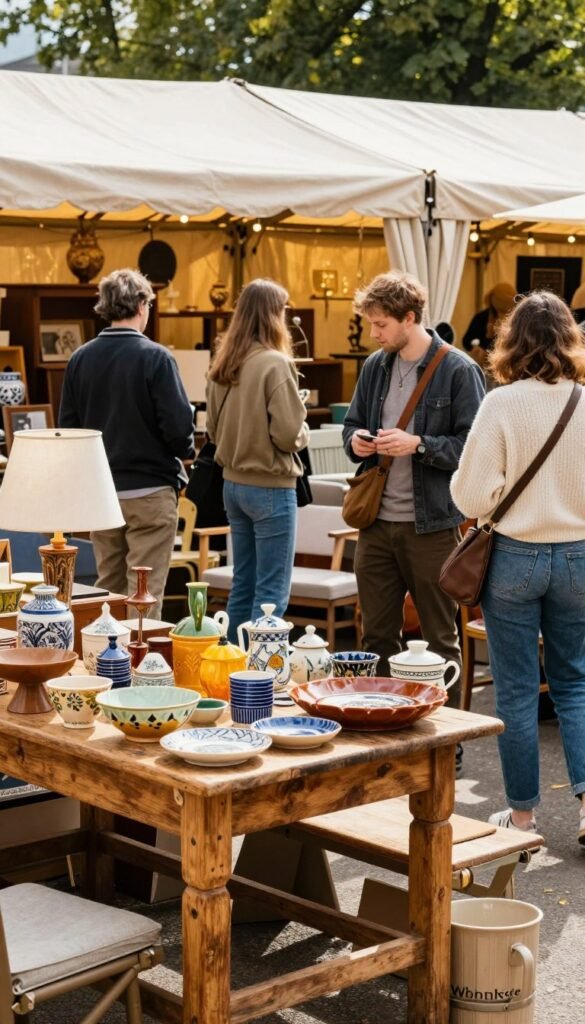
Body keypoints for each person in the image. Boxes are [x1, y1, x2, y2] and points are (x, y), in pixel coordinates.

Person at [451, 291, 585, 843]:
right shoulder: (583, 400)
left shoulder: (501, 404)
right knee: (575, 684)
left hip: (514, 557)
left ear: (512, 341)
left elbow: (469, 496)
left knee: (514, 689)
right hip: (578, 554)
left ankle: (524, 817)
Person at [342, 271, 485, 718]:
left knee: (440, 639)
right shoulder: (375, 366)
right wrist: (357, 443)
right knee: (376, 638)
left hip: (433, 527)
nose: (373, 333)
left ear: (409, 318)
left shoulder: (459, 369)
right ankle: (385, 729)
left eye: (380, 324)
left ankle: (446, 738)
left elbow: (475, 447)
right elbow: (350, 426)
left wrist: (418, 444)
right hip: (377, 525)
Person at [59, 268, 194, 618]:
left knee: (108, 589)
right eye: (149, 303)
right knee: (145, 594)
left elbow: (69, 431)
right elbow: (179, 430)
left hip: (102, 491)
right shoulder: (157, 358)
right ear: (140, 305)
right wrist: (186, 451)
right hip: (150, 490)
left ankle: (106, 665)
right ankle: (142, 669)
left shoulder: (80, 359)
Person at [205, 278, 309, 642]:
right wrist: (304, 428)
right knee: (271, 593)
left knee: (243, 584)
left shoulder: (224, 363)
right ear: (273, 315)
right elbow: (288, 434)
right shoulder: (275, 363)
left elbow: (213, 432)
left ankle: (231, 666)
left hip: (232, 485)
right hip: (270, 487)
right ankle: (258, 677)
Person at [462, 282, 516, 354]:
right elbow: (466, 341)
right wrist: (476, 348)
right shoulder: (481, 317)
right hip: (485, 360)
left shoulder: (516, 318)